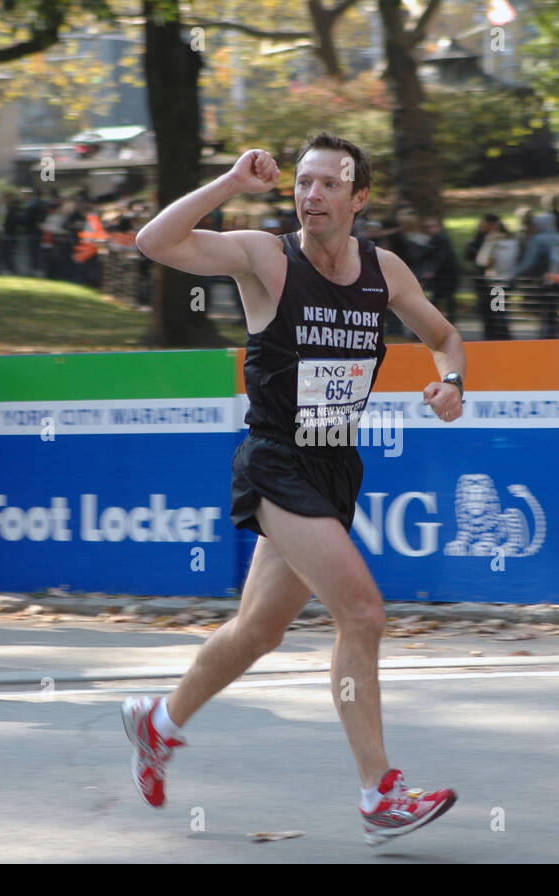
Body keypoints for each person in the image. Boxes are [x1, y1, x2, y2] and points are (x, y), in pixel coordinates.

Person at [128, 133, 464, 846]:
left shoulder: (385, 271)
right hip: (276, 459)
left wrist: (451, 382)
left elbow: (444, 335)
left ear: (358, 197)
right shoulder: (264, 256)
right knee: (363, 611)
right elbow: (154, 241)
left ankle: (158, 725)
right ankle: (380, 792)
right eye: (302, 183)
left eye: (328, 185)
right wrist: (227, 181)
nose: (311, 195)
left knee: (259, 631)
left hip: (335, 466)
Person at [509, 212, 559, 338]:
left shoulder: (538, 239)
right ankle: (555, 335)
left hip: (544, 280)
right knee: (553, 310)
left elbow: (529, 262)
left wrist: (513, 274)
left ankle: (547, 340)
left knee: (546, 312)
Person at [472, 217, 519, 340]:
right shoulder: (512, 243)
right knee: (498, 312)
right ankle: (502, 340)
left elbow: (482, 261)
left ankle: (498, 341)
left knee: (496, 314)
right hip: (504, 282)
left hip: (495, 284)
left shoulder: (495, 243)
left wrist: (488, 243)